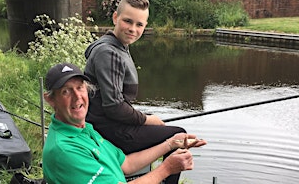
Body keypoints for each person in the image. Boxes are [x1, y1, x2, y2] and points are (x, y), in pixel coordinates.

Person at [42, 63, 206, 184]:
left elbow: (126, 164)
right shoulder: (63, 150)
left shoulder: (84, 129)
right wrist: (167, 168)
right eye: (66, 91)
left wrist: (171, 143)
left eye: (80, 88)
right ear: (50, 99)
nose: (77, 97)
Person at [84, 0, 186, 183]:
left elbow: (117, 101)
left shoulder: (117, 46)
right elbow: (114, 106)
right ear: (115, 17)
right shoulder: (109, 52)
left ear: (145, 26)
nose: (133, 29)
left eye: (139, 24)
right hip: (107, 129)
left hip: (108, 122)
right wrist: (147, 119)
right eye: (127, 21)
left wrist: (144, 118)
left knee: (164, 128)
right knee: (178, 135)